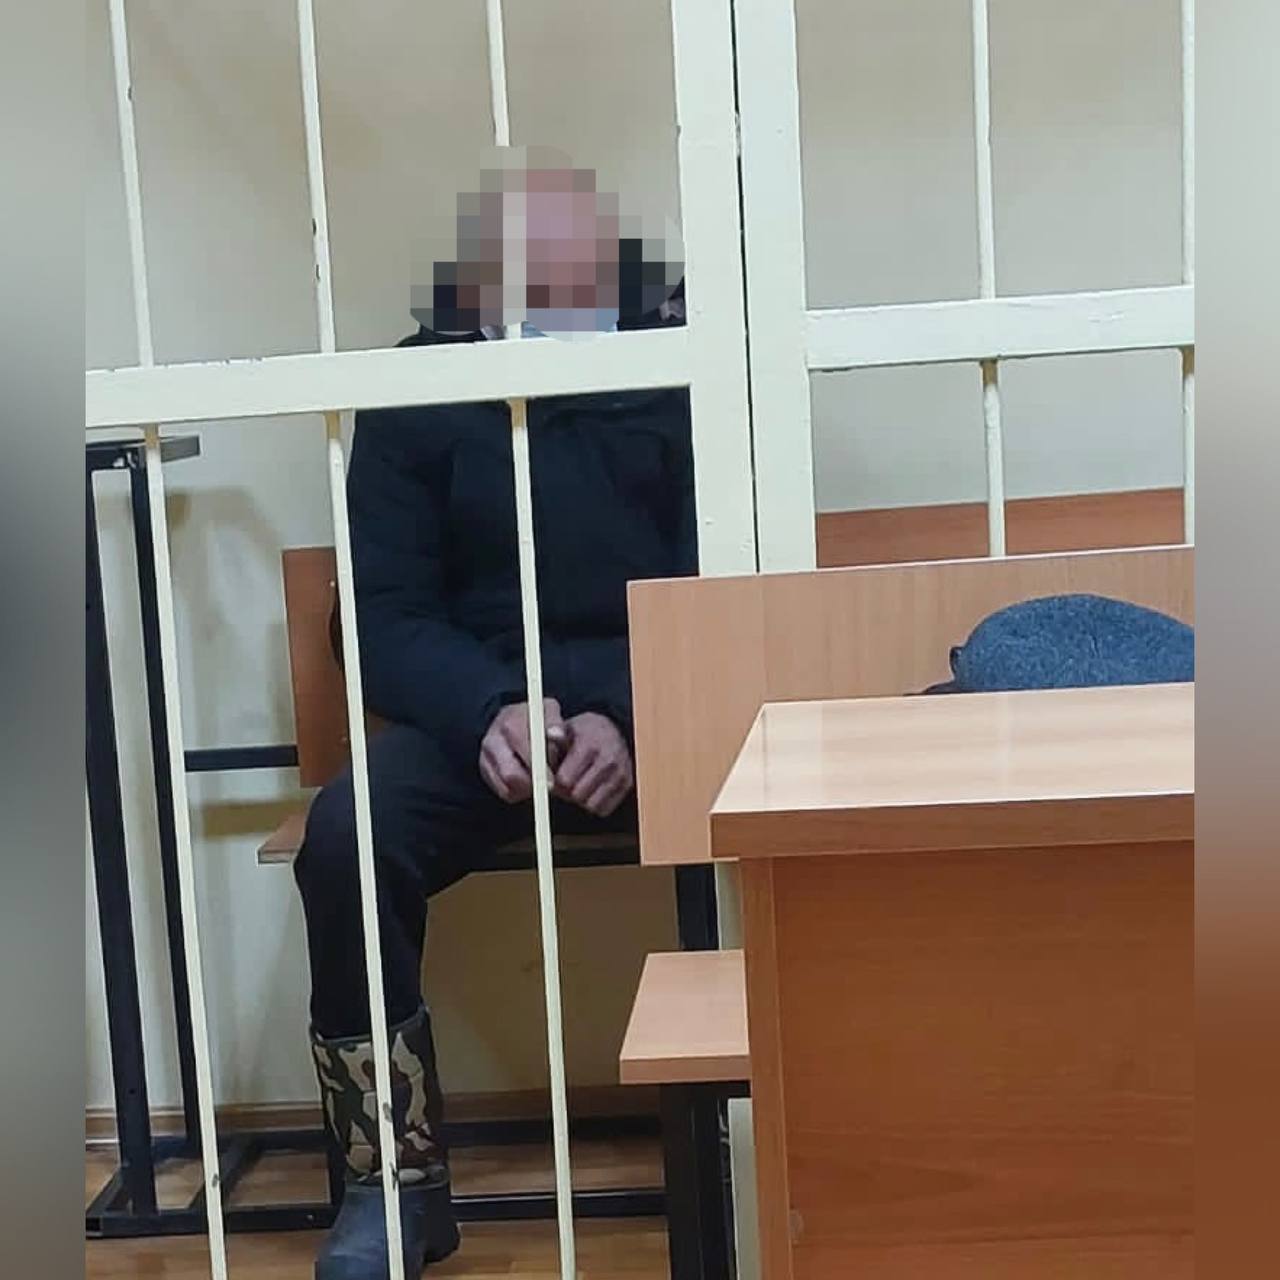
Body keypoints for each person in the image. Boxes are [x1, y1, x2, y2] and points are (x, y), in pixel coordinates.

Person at [292, 155, 694, 1280]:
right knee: (347, 838)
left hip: (656, 699)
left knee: (768, 801)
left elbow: (721, 574)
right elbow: (379, 614)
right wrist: (487, 710)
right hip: (475, 711)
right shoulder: (418, 389)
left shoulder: (678, 370)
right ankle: (390, 1180)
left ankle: (750, 1131)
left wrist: (630, 711)